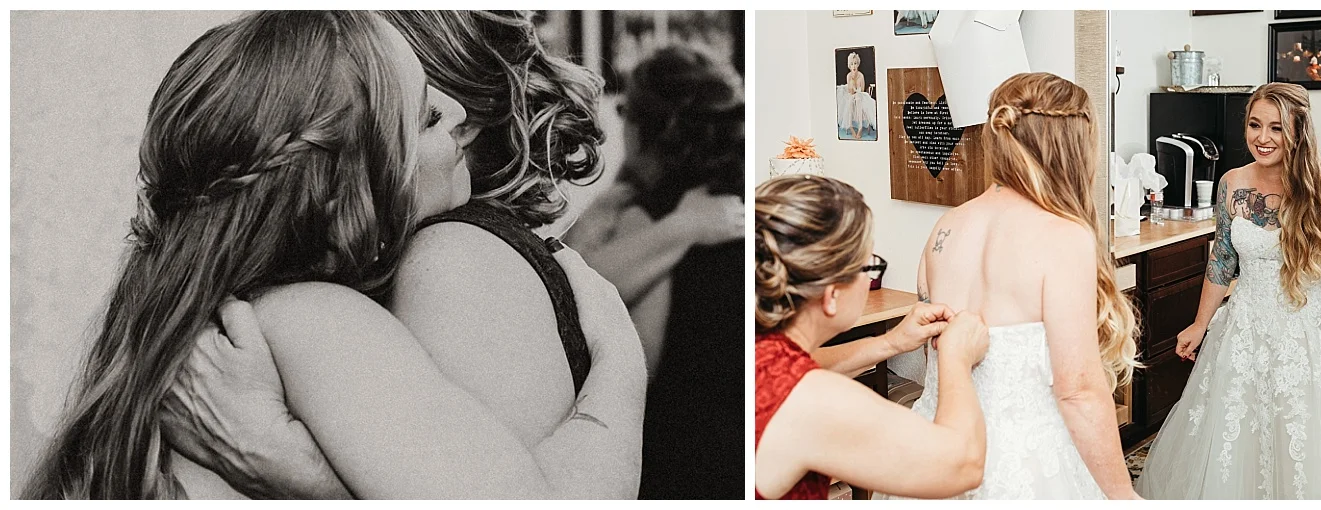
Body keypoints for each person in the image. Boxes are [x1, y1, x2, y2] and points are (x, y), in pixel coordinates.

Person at [105, 11, 646, 499]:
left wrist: (292, 469)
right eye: (426, 116)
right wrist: (620, 368)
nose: (457, 112)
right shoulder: (320, 317)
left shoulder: (166, 316)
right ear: (351, 189)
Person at [1136, 83, 1321, 499]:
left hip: (1310, 336)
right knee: (1236, 435)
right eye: (1255, 125)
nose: (1262, 138)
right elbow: (1222, 261)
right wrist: (1200, 323)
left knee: (1309, 439)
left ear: (1298, 130)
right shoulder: (1231, 183)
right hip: (1246, 333)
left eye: (1276, 128)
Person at [889, 72, 1142, 500]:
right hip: (1024, 461)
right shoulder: (1063, 237)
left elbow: (932, 355)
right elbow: (1078, 390)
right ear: (1072, 146)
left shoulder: (945, 227)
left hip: (938, 448)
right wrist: (1123, 496)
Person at [564, 44, 747, 499]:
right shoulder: (738, 204)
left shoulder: (648, 219)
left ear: (644, 127)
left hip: (681, 457)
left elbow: (639, 366)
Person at [754, 174, 992, 500]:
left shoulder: (760, 351)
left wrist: (890, 342)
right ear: (832, 294)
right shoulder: (814, 400)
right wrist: (956, 358)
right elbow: (963, 466)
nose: (870, 280)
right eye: (868, 267)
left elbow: (800, 368)